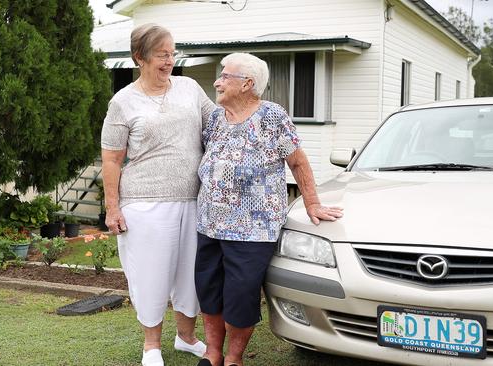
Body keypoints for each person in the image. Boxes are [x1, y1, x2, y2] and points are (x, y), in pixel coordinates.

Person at [194, 53, 343, 366]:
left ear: (248, 84)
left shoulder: (272, 116)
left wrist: (312, 202)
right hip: (210, 222)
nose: (217, 81)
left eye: (225, 76)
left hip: (253, 227)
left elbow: (297, 161)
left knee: (241, 295)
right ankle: (212, 354)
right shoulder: (216, 118)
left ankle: (234, 358)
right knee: (209, 289)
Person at [101, 23, 214, 366]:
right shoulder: (123, 101)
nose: (169, 60)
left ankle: (186, 338)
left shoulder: (190, 88)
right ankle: (151, 346)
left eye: (172, 53)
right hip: (145, 202)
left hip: (193, 199)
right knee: (151, 274)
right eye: (161, 54)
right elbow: (111, 157)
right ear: (140, 58)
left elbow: (218, 123)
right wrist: (112, 207)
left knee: (190, 274)